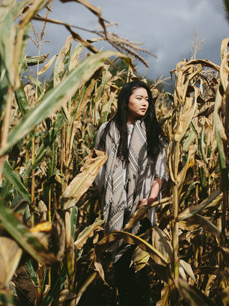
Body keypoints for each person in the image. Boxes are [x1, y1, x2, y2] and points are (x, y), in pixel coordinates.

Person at [92, 80, 168, 305]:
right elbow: (97, 165)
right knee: (121, 268)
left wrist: (151, 198)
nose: (145, 103)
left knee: (139, 267)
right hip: (114, 205)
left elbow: (160, 172)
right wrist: (106, 192)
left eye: (147, 99)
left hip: (141, 207)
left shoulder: (153, 131)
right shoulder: (106, 130)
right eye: (139, 98)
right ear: (126, 101)